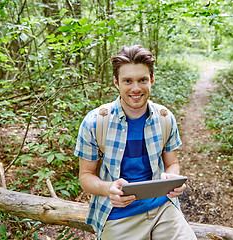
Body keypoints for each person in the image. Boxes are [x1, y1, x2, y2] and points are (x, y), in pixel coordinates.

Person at [74, 45, 196, 240]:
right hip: (117, 216)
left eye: (142, 80)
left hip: (163, 209)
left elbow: (172, 163)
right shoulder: (95, 122)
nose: (136, 88)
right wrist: (109, 189)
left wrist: (171, 179)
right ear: (116, 82)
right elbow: (86, 176)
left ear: (152, 80)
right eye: (128, 81)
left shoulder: (165, 118)